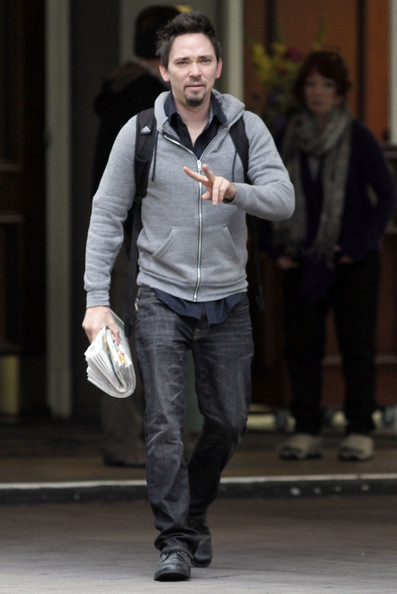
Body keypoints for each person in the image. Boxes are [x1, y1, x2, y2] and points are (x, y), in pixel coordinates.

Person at [83, 11, 294, 582]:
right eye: (182, 62)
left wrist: (236, 191)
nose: (194, 71)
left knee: (227, 422)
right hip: (160, 295)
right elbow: (106, 216)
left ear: (218, 67)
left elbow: (283, 199)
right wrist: (96, 301)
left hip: (228, 298)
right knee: (164, 423)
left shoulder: (246, 130)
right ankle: (174, 539)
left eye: (203, 60)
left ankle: (194, 509)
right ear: (164, 71)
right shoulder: (141, 132)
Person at [260, 51, 396, 462]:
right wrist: (272, 247)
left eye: (327, 85)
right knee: (301, 347)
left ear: (340, 93)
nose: (318, 93)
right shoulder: (286, 136)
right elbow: (264, 193)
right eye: (312, 85)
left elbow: (386, 196)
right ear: (302, 91)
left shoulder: (357, 136)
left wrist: (357, 246)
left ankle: (359, 429)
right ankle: (307, 429)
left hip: (351, 260)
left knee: (357, 346)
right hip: (300, 259)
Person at [92, 5, 180, 468]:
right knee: (138, 336)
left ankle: (132, 438)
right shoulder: (147, 100)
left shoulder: (120, 88)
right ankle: (131, 441)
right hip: (141, 233)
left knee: (122, 333)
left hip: (123, 230)